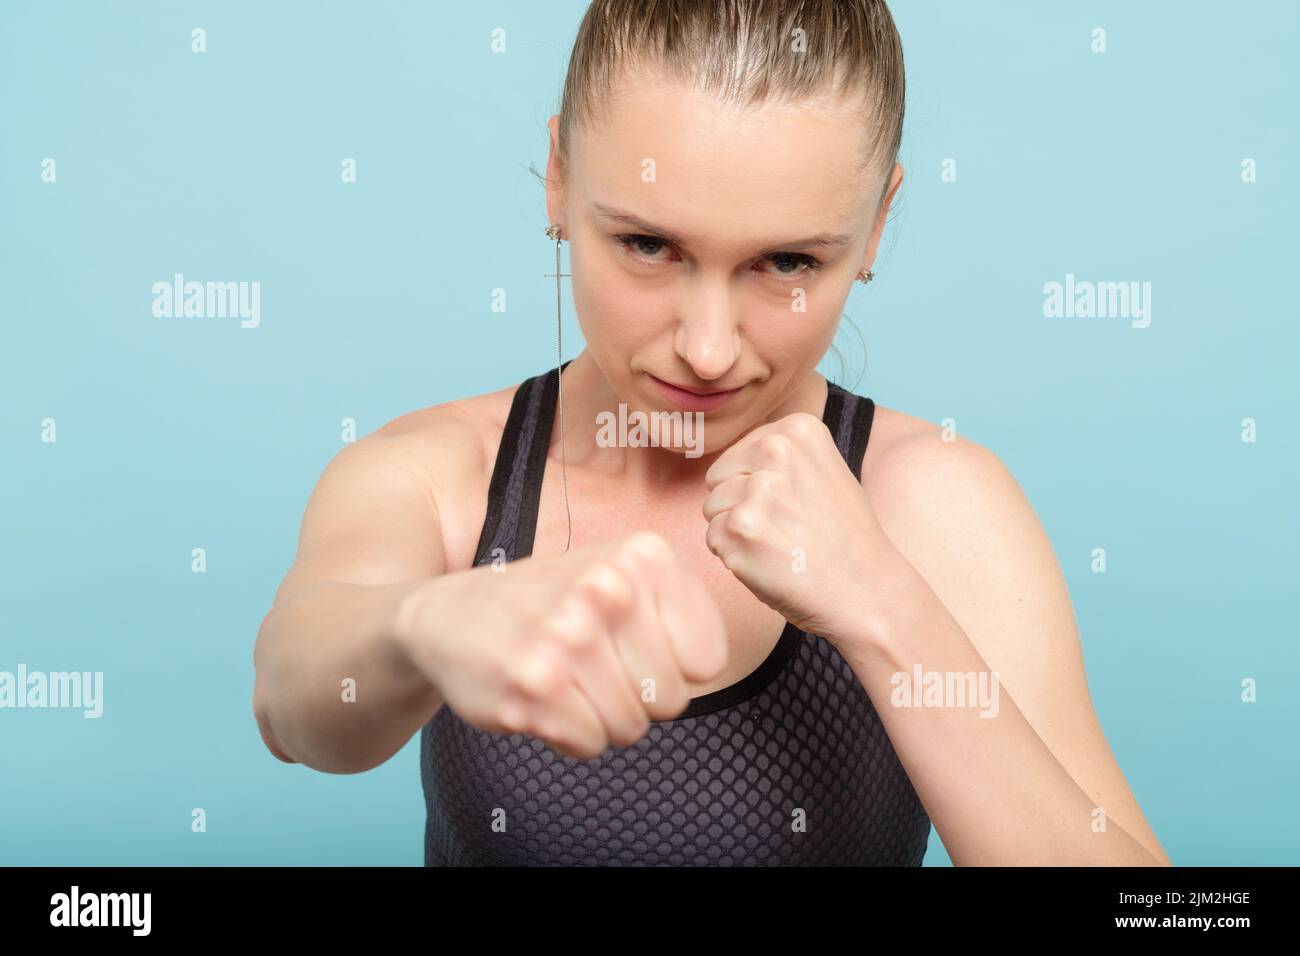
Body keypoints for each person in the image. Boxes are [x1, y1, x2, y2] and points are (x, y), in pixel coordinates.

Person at [252, 0, 1171, 866]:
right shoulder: (441, 472)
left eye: (788, 262)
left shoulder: (933, 502)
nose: (707, 348)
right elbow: (293, 707)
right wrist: (429, 625)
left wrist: (887, 609)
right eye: (650, 246)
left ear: (879, 223)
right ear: (560, 179)